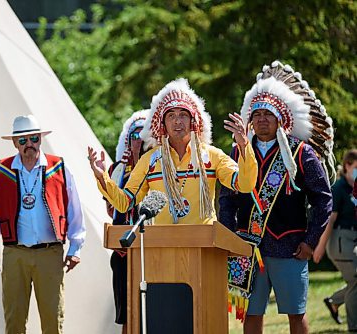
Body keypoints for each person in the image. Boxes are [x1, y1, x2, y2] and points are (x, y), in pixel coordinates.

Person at [219, 60, 335, 334]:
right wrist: (230, 237)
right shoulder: (238, 153)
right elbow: (227, 199)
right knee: (252, 314)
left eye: (268, 114)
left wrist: (310, 241)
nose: (261, 119)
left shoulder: (300, 153)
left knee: (296, 313)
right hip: (249, 247)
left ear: (280, 119)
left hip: (290, 247)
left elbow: (323, 199)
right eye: (256, 114)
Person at [88, 78, 258, 227]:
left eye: (183, 115)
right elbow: (125, 202)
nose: (177, 121)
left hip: (204, 246)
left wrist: (244, 147)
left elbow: (244, 184)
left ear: (193, 122)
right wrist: (102, 176)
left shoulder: (213, 156)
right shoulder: (150, 160)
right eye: (171, 116)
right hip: (163, 247)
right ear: (163, 124)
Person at [0, 115, 86, 334]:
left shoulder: (58, 167)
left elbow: (74, 206)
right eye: (23, 140)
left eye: (34, 138)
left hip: (50, 252)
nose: (29, 144)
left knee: (52, 320)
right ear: (14, 143)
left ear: (40, 139)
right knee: (14, 321)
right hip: (15, 253)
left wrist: (76, 247)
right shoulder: (4, 169)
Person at [105, 109, 154, 334]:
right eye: (135, 136)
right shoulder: (117, 170)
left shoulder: (157, 168)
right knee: (127, 313)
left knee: (153, 310)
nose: (139, 142)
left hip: (153, 247)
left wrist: (141, 160)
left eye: (143, 137)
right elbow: (111, 208)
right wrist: (133, 162)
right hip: (124, 251)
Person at [313, 148, 357, 331]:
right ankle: (354, 326)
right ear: (347, 166)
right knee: (356, 280)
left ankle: (334, 302)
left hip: (353, 241)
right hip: (340, 241)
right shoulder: (338, 189)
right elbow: (329, 220)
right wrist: (319, 248)